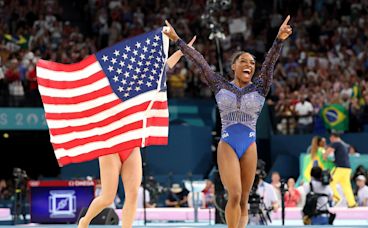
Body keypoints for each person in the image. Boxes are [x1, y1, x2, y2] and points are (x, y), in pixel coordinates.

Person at [162, 16, 292, 228]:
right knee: (235, 194)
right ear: (234, 66)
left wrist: (278, 40)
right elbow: (200, 62)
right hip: (228, 144)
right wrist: (177, 40)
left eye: (252, 62)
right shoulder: (220, 84)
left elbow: (270, 62)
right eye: (244, 61)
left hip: (250, 145)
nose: (249, 65)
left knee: (244, 199)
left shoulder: (261, 86)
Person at [78, 38, 196, 228]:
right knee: (108, 197)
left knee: (133, 195)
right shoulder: (106, 87)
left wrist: (181, 51)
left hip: (131, 146)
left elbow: (163, 69)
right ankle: (84, 222)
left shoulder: (140, 86)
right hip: (111, 147)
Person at [326, 133, 357, 208]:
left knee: (331, 182)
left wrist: (324, 156)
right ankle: (352, 203)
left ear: (333, 137)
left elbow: (328, 152)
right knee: (346, 186)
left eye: (331, 139)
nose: (331, 141)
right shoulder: (345, 145)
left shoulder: (336, 143)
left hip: (340, 168)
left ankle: (336, 198)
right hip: (347, 168)